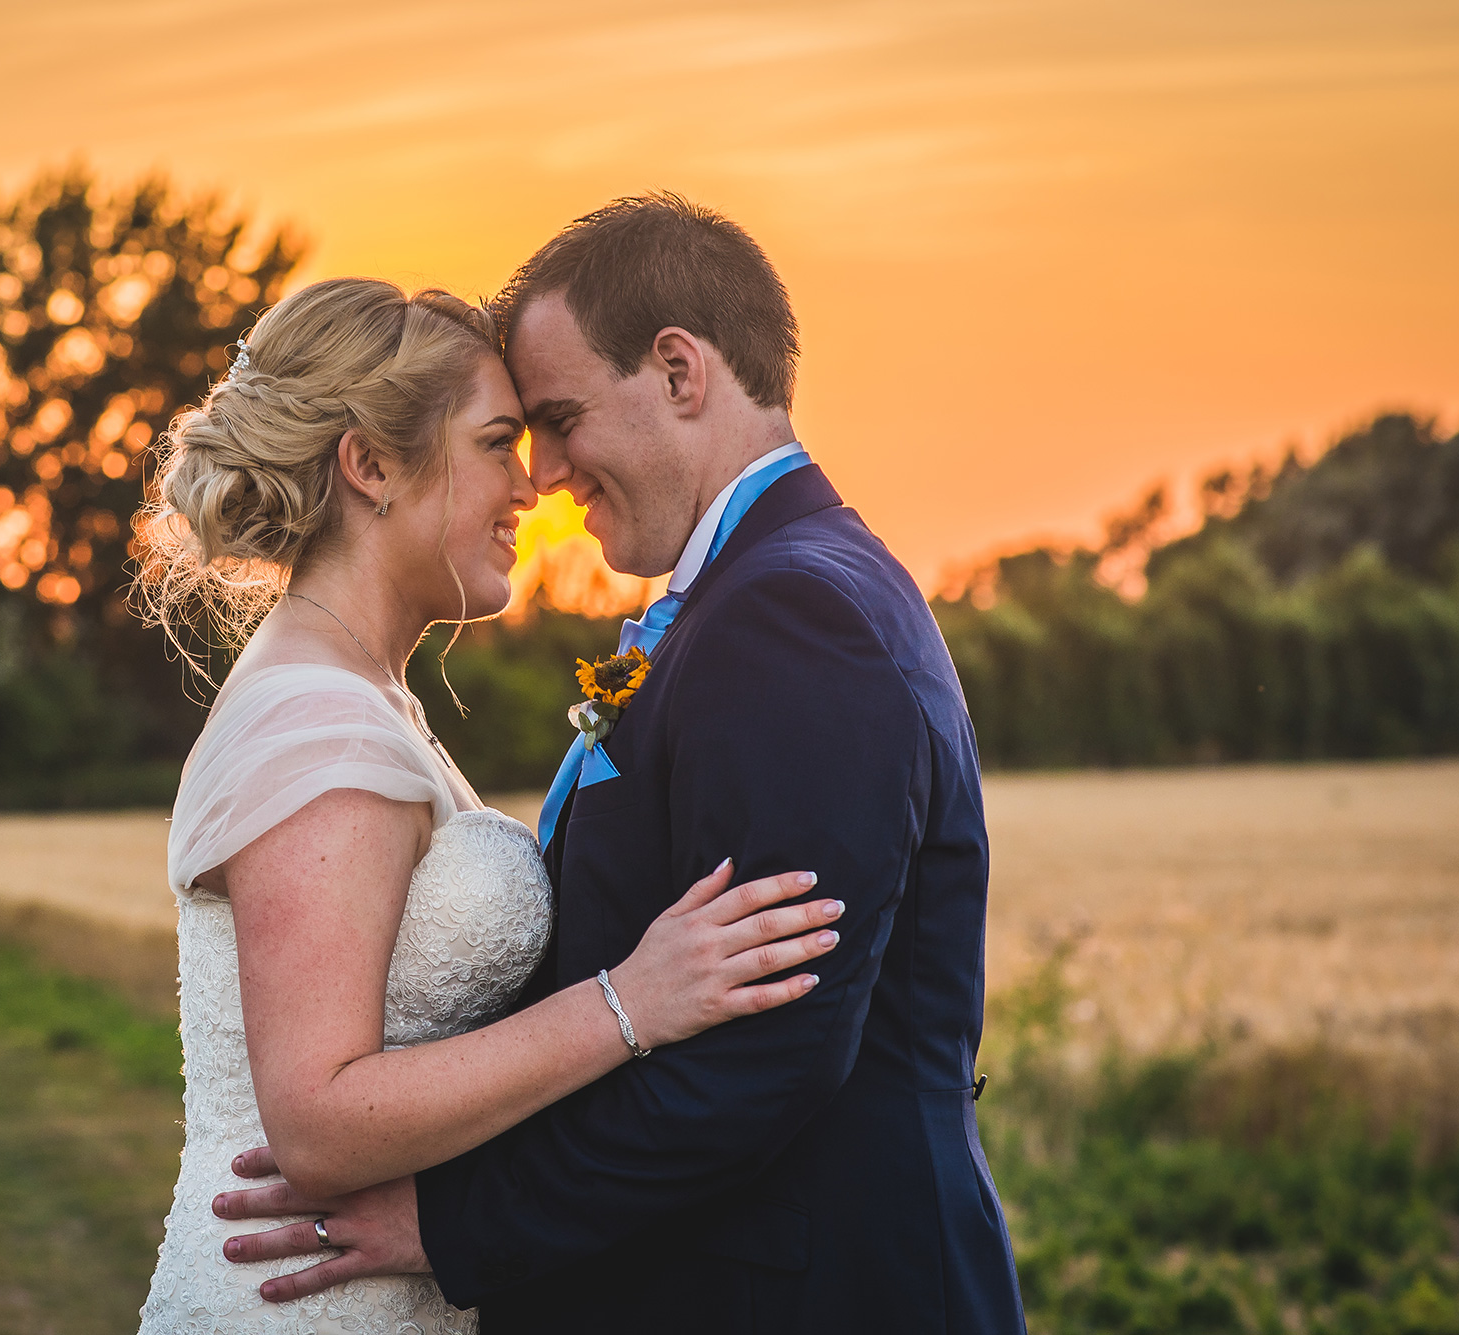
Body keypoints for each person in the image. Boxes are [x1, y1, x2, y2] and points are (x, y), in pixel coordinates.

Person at [212, 196, 1028, 1333]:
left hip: (800, 1292)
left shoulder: (790, 613)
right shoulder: (763, 594)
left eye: (553, 419)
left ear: (680, 373)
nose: (542, 474)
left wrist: (457, 1223)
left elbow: (765, 1051)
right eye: (509, 439)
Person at [131, 276, 844, 1335]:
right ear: (368, 465)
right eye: (495, 444)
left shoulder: (361, 693)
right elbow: (318, 1124)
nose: (532, 489)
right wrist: (628, 1004)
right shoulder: (316, 722)